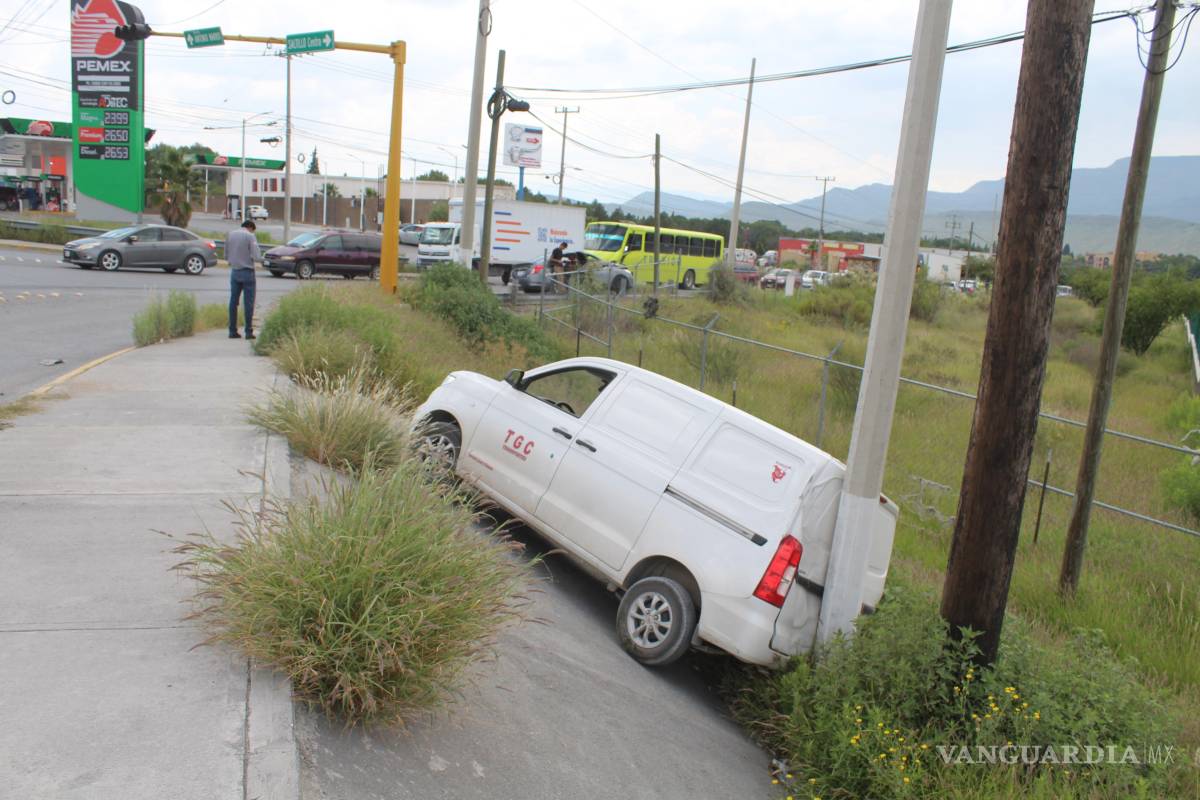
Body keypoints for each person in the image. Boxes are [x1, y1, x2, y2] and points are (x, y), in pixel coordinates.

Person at [226, 219, 262, 339]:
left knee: (233, 302)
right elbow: (256, 256)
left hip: (235, 272)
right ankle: (248, 331)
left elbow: (226, 255)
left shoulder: (230, 235)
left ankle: (232, 330)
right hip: (247, 272)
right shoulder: (250, 236)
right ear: (251, 228)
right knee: (248, 303)